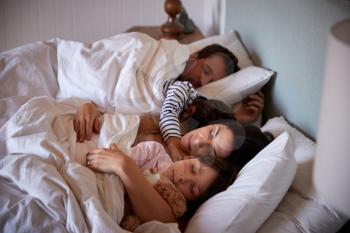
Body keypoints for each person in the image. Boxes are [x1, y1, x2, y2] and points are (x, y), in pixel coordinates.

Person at [84, 119, 273, 228]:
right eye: (212, 132)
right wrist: (91, 111)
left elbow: (167, 222)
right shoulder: (165, 124)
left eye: (210, 152)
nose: (199, 141)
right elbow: (112, 124)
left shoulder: (185, 195)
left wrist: (124, 166)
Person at [160, 44, 240, 161]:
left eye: (211, 82)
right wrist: (175, 145)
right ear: (194, 57)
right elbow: (169, 111)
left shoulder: (203, 108)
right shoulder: (184, 88)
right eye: (206, 71)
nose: (203, 82)